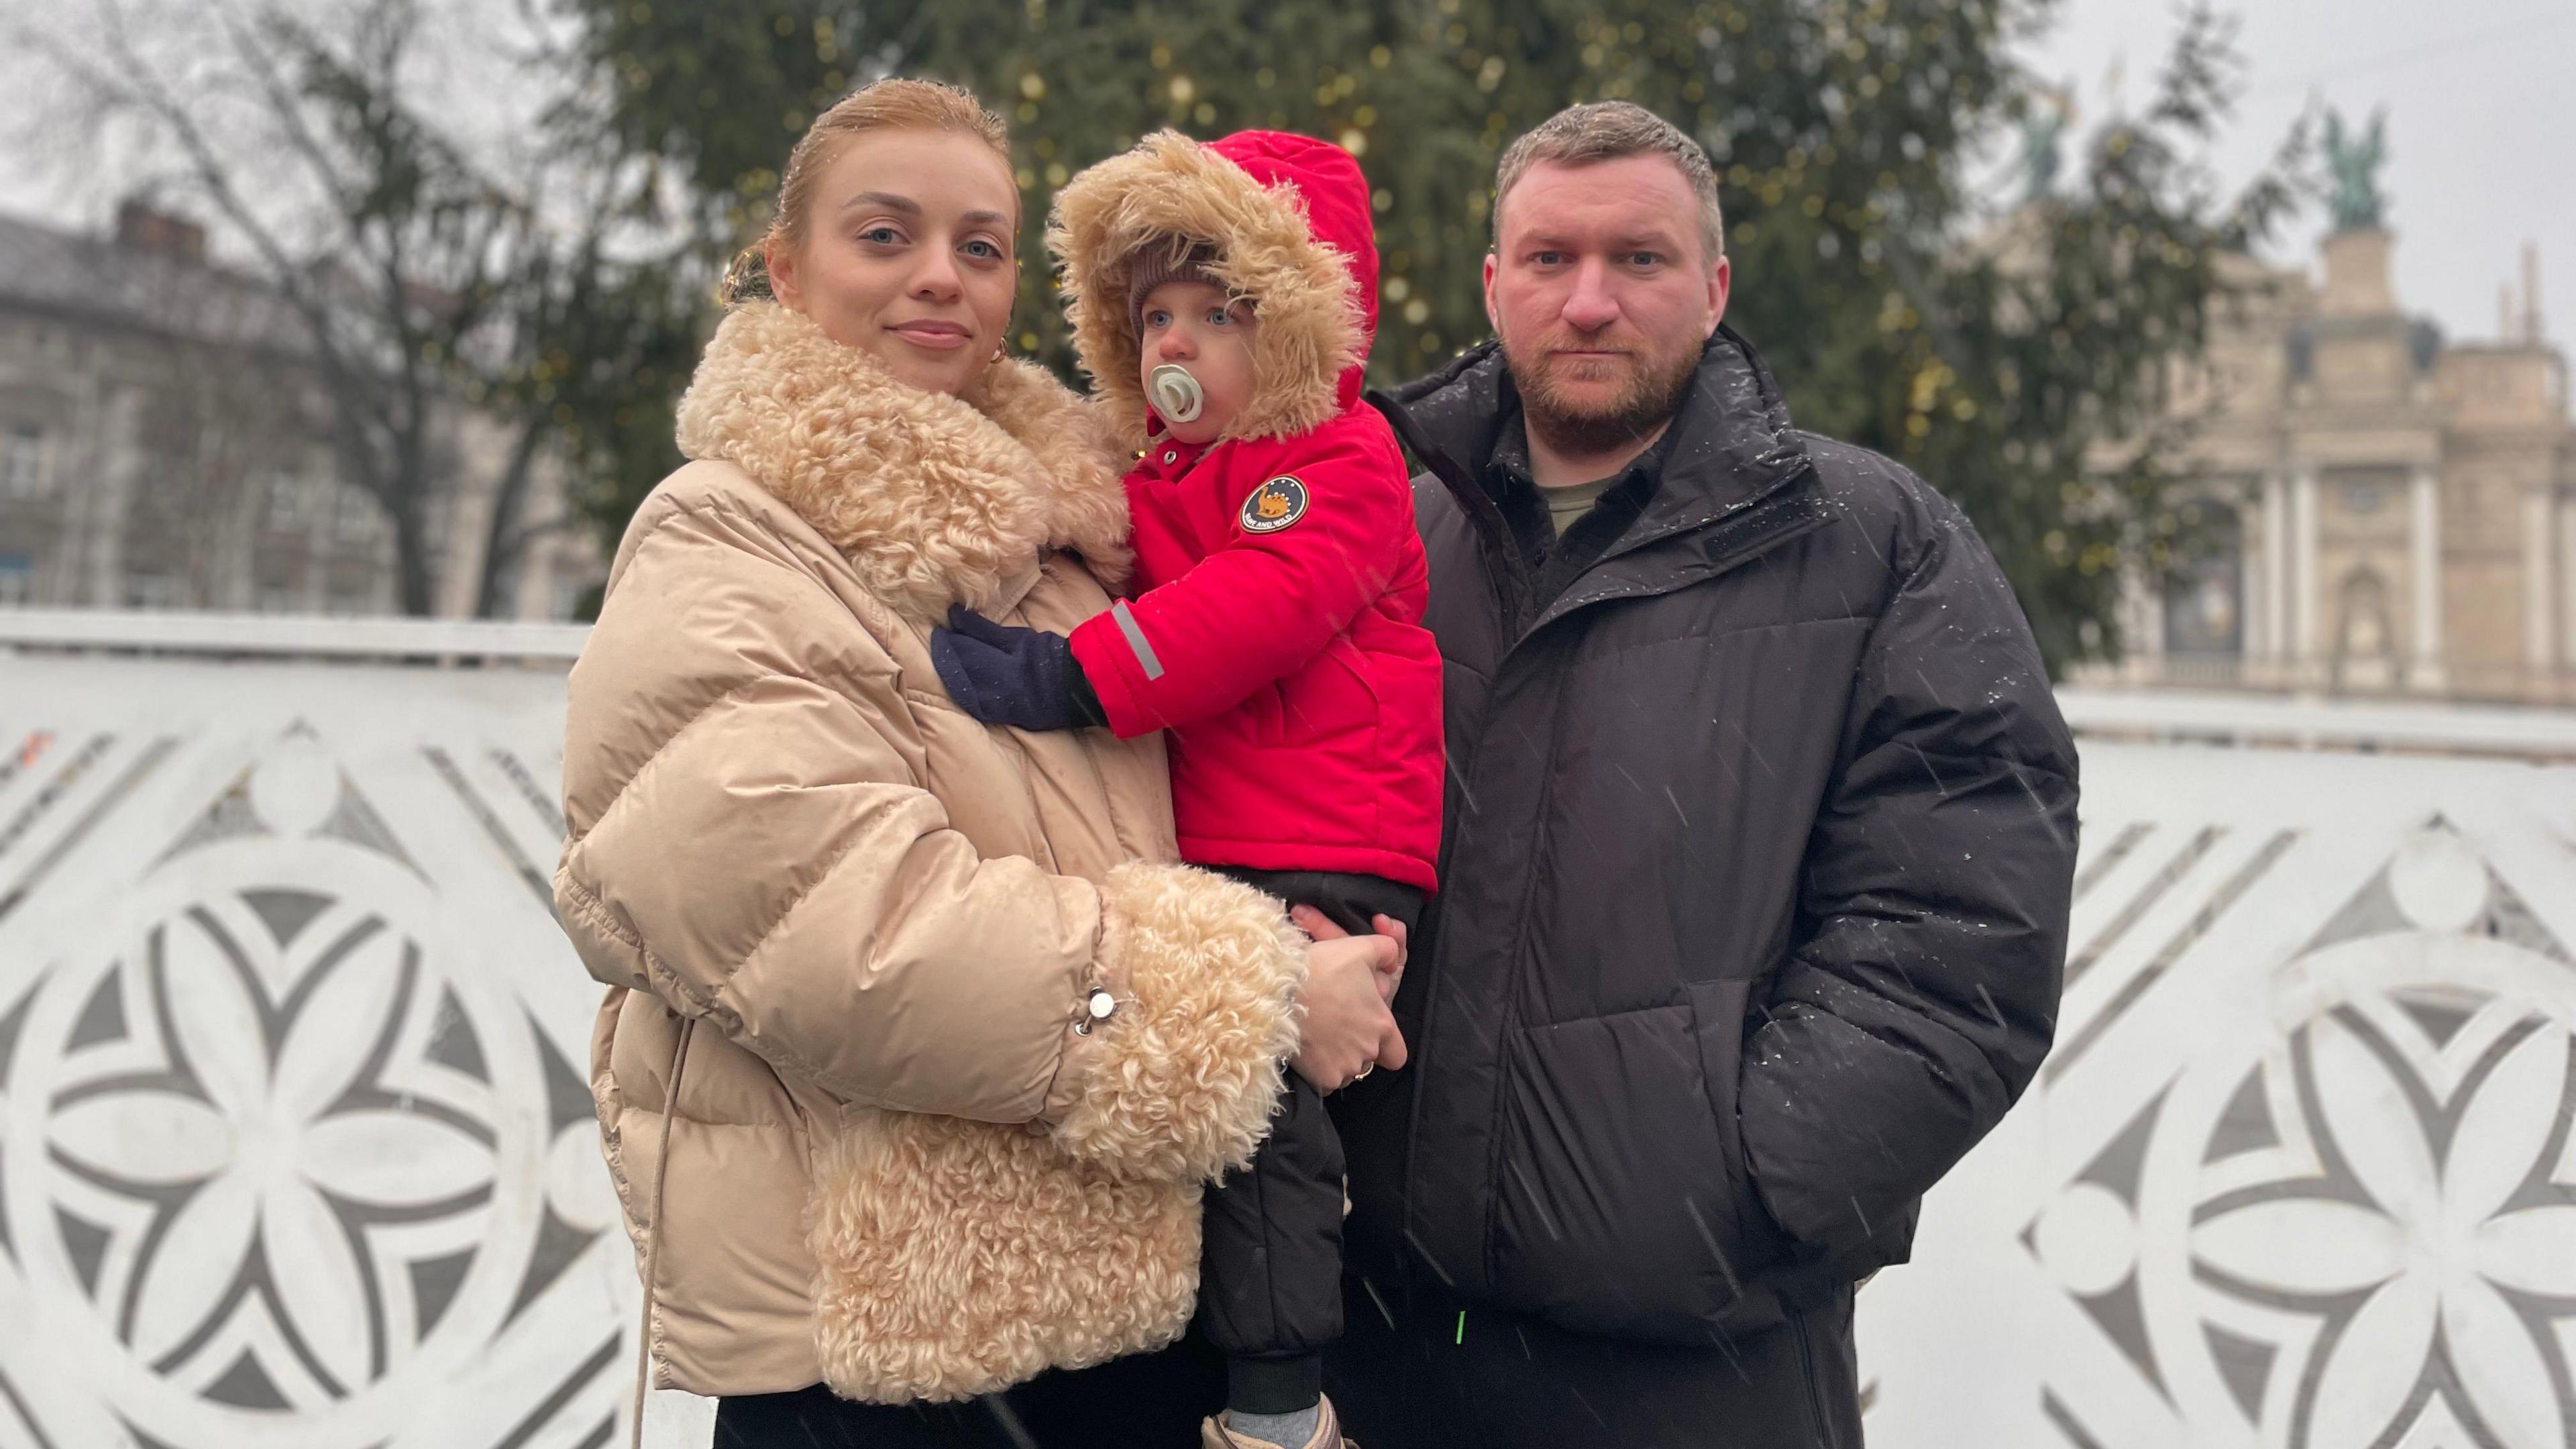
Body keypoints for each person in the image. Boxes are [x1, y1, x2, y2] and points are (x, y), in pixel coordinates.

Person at [549, 78, 1404, 1449]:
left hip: (1128, 1324)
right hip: (890, 1360)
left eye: (981, 246)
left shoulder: (1074, 539)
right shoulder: (729, 538)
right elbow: (835, 928)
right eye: (884, 236)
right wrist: (1258, 996)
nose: (939, 276)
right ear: (787, 268)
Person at [1323, 101, 2081, 1448]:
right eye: (1550, 260)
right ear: (1494, 286)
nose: (1592, 301)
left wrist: (1751, 1182)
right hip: (1375, 1350)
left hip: (1701, 1374)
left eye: (1642, 260)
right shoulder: (1373, 526)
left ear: (1716, 287)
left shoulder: (1877, 546)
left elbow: (1965, 925)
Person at [930, 129, 1442, 1449]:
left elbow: (1251, 609)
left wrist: (1061, 679)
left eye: (1219, 314)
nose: (1178, 344)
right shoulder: (1173, 477)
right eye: (1155, 313)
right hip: (1225, 838)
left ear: (1298, 328)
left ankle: (1280, 1402)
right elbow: (1121, 538)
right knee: (1196, 1095)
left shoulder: (1335, 462)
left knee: (1258, 1117)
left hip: (1323, 841)